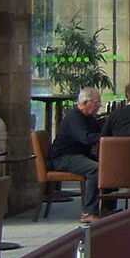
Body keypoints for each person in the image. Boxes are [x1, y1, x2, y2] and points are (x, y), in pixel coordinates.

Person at [48, 86, 106, 215]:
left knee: (109, 167)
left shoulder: (90, 118)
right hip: (63, 157)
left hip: (77, 155)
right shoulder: (75, 118)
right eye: (97, 103)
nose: (99, 106)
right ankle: (89, 212)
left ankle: (108, 207)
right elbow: (86, 138)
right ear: (85, 103)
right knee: (95, 169)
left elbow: (99, 133)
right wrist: (107, 137)